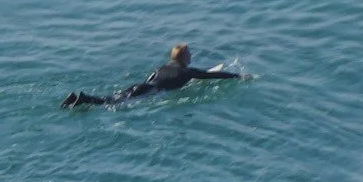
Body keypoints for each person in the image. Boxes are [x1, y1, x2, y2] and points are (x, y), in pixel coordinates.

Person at [61, 43, 245, 108]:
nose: (191, 56)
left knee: (112, 98)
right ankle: (84, 99)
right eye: (189, 54)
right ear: (184, 58)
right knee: (114, 104)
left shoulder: (161, 67)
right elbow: (210, 76)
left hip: (141, 85)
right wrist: (237, 77)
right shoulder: (188, 71)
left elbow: (151, 80)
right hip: (151, 91)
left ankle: (74, 100)